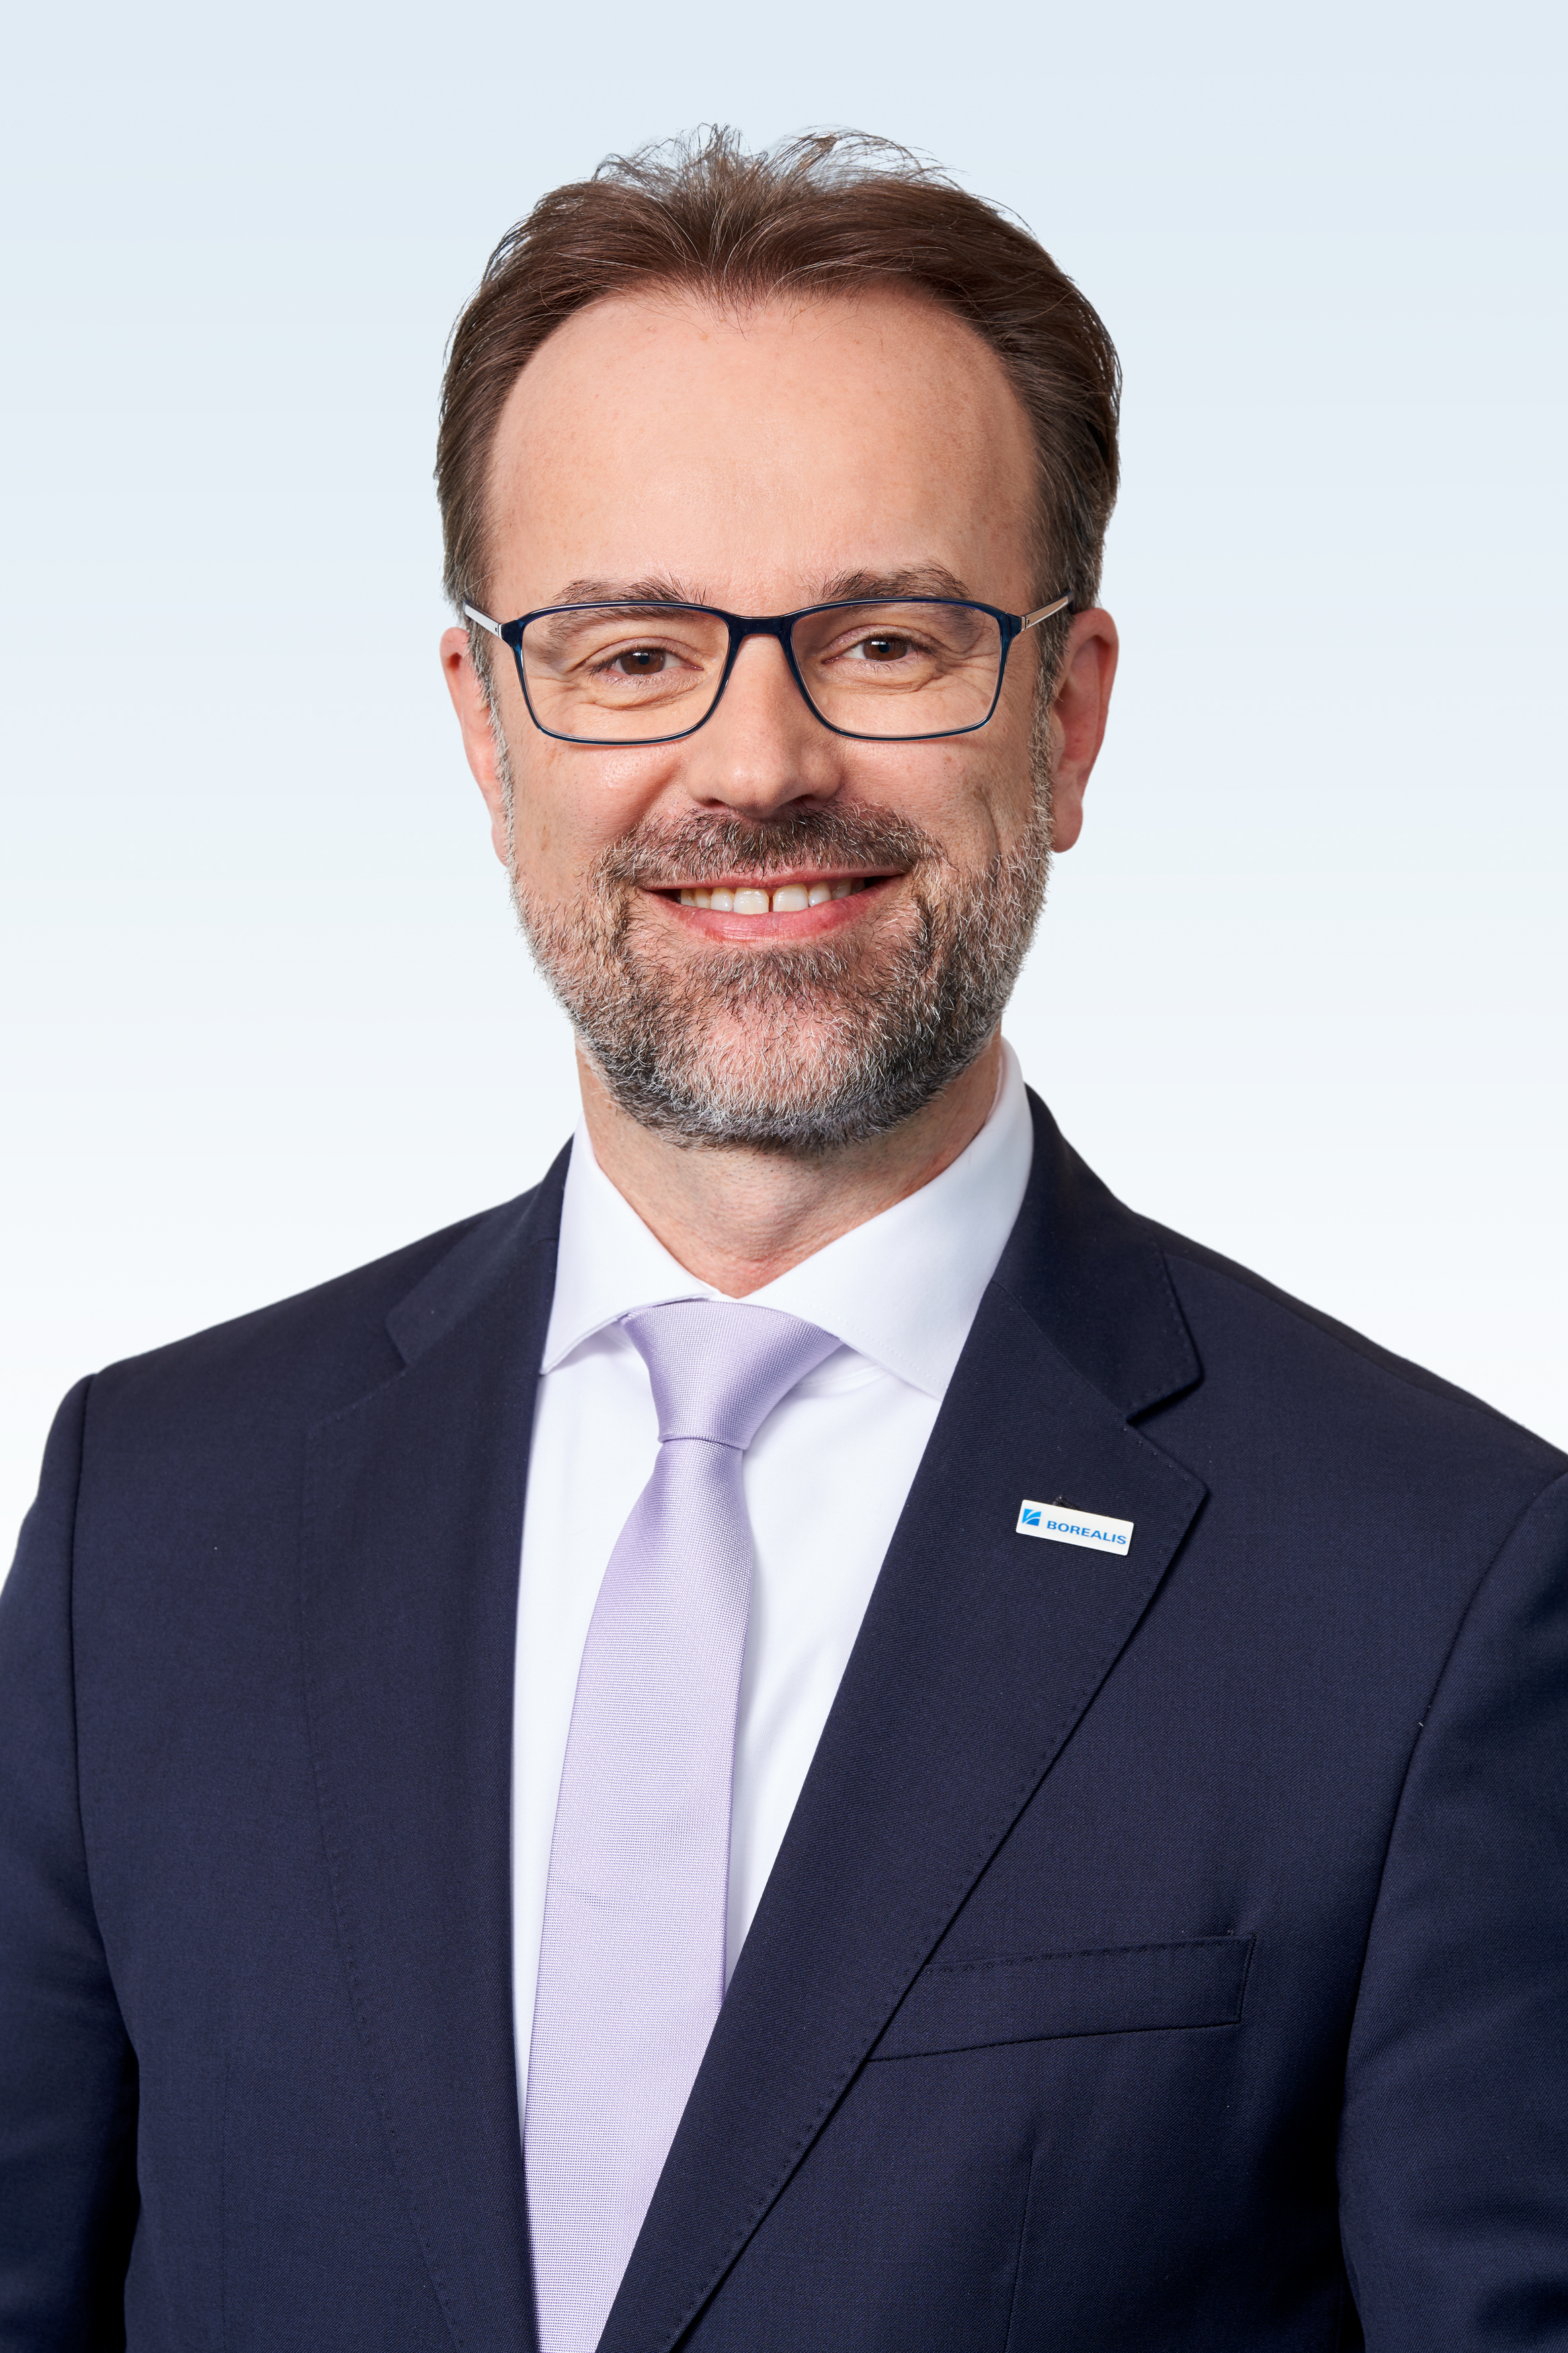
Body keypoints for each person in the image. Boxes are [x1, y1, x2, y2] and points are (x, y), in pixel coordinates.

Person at [1, 126, 1565, 2353]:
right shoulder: (147, 1523)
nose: (755, 761)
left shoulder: (1431, 1587)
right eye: (633, 650)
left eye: (889, 639)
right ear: (485, 732)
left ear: (1069, 718)